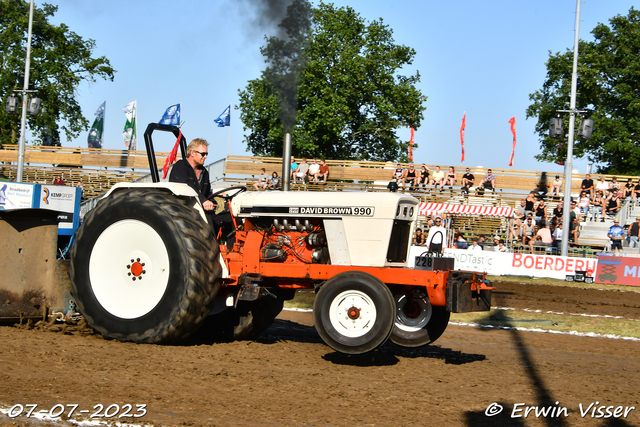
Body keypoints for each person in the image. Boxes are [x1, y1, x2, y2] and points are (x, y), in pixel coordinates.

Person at [169, 138, 213, 210]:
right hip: (182, 208)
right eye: (203, 154)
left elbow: (207, 193)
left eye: (206, 154)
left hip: (200, 209)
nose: (205, 157)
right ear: (192, 153)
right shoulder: (180, 166)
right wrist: (203, 200)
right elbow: (187, 187)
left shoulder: (204, 172)